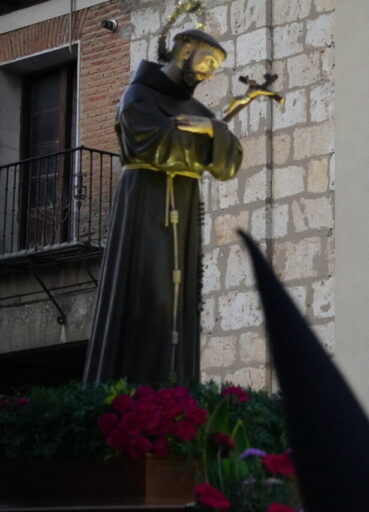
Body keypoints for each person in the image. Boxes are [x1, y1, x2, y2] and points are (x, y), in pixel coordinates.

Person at [83, 29, 243, 385]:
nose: (210, 72)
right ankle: (136, 387)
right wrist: (204, 139)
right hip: (146, 203)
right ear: (184, 51)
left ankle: (174, 390)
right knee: (149, 294)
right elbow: (150, 146)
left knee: (177, 302)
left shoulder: (199, 112)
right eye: (208, 60)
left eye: (216, 65)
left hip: (184, 205)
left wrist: (210, 130)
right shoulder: (138, 96)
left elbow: (227, 163)